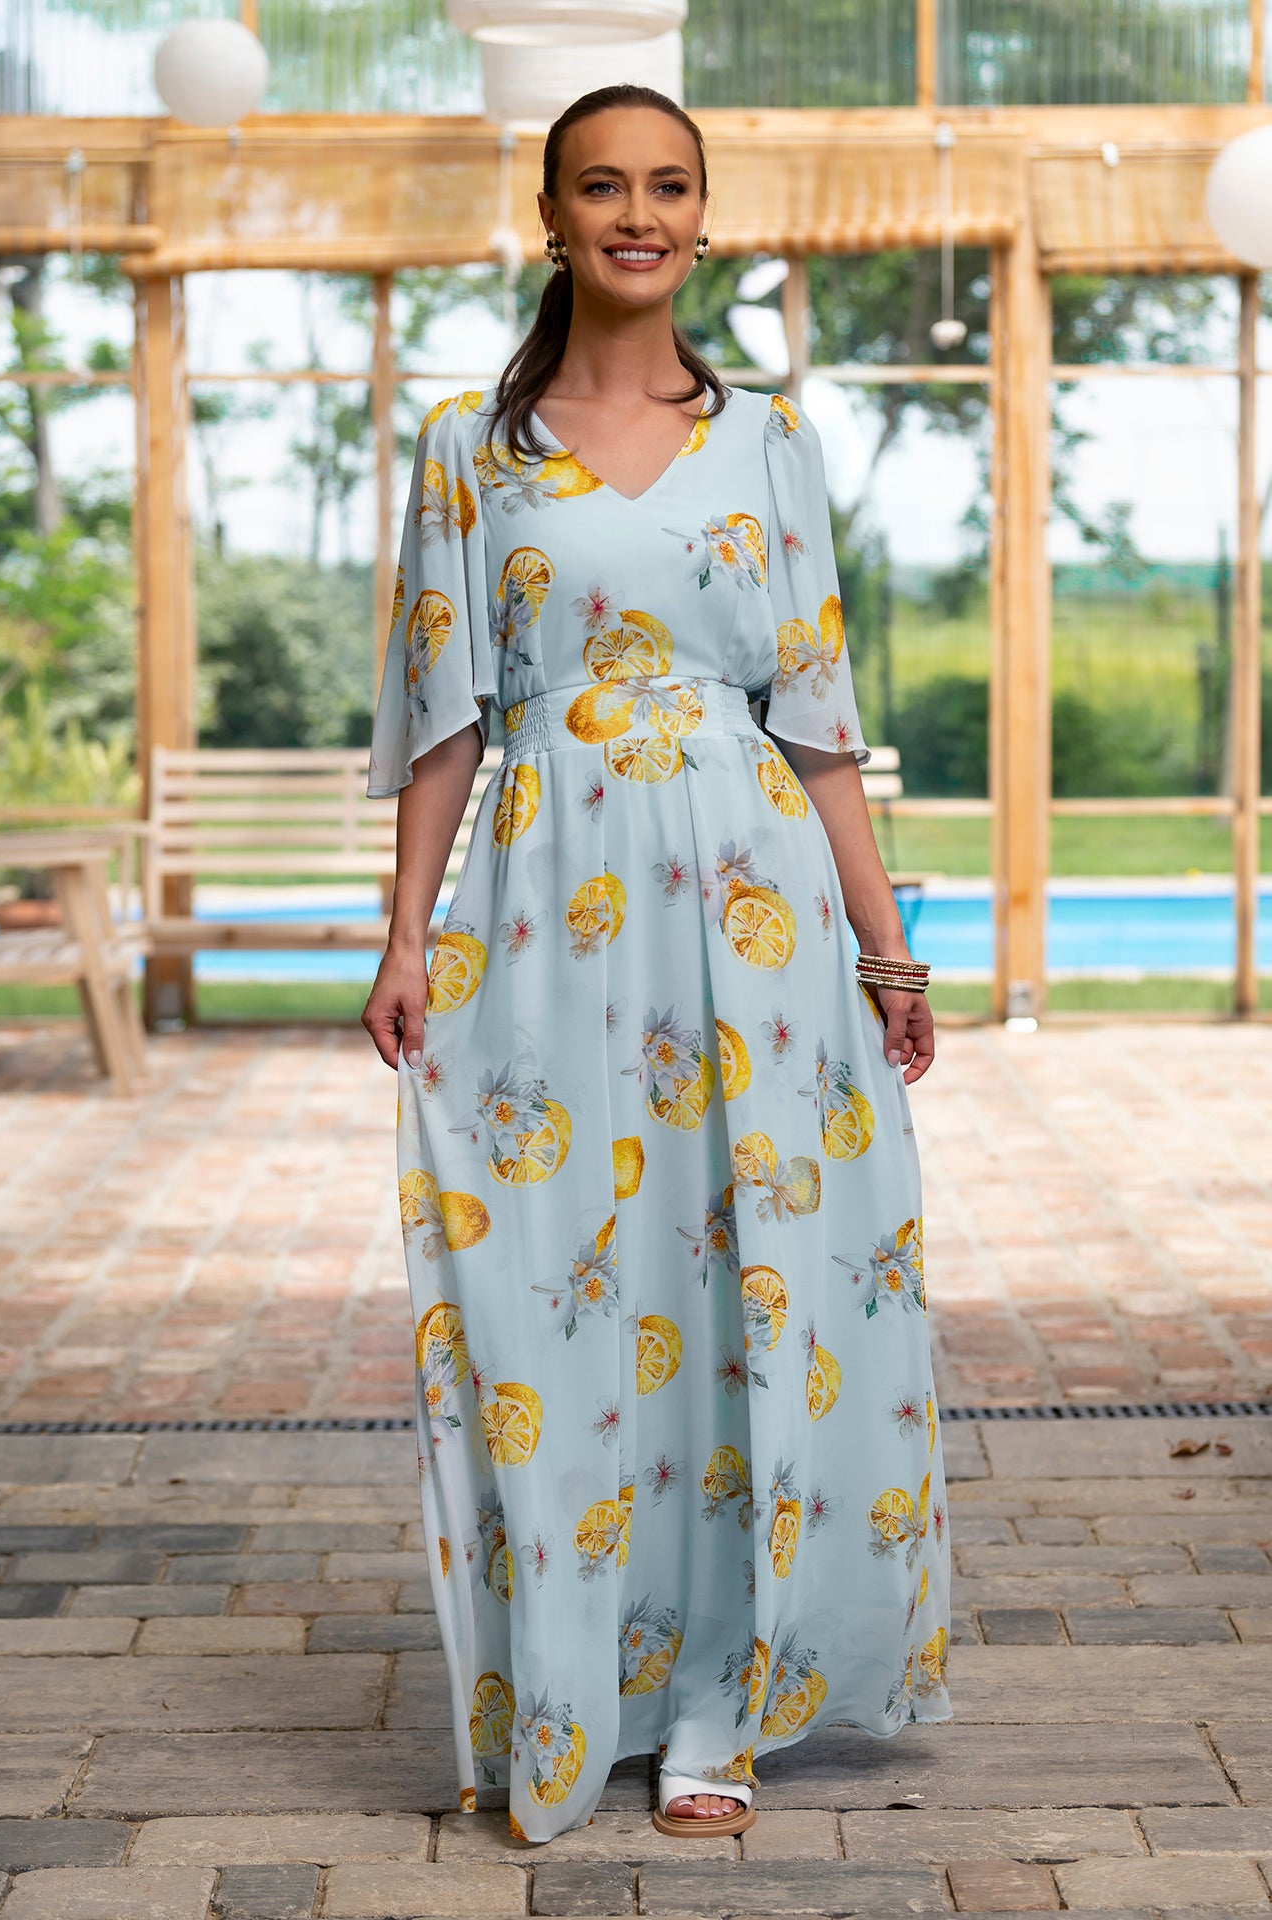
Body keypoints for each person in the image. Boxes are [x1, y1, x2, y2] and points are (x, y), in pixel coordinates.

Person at [361, 82, 952, 1846]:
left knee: (747, 1289)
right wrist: (405, 934)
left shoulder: (771, 440)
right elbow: (442, 719)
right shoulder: (471, 446)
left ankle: (718, 1702)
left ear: (704, 216)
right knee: (557, 1287)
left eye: (670, 186)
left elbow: (819, 721)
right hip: (541, 914)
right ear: (550, 216)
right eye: (604, 186)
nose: (639, 214)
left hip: (752, 911)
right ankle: (568, 1688)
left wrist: (889, 953)